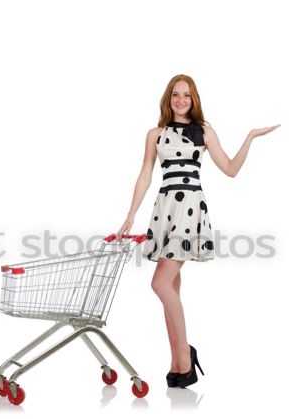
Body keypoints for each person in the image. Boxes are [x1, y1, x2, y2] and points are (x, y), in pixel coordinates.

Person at [116, 74, 280, 389]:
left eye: (186, 96)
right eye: (176, 95)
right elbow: (145, 175)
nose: (181, 100)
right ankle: (179, 361)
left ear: (194, 100)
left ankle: (185, 357)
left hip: (190, 208)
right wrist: (130, 215)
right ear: (168, 98)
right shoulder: (155, 134)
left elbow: (230, 169)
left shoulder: (203, 132)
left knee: (160, 283)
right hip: (164, 208)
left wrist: (249, 137)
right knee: (171, 290)